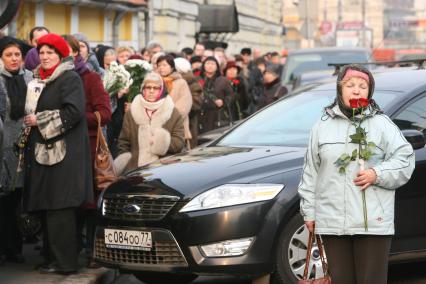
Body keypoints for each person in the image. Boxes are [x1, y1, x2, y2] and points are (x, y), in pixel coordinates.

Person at [298, 64, 415, 284]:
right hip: (332, 220)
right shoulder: (322, 126)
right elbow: (310, 171)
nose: (356, 90)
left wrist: (376, 173)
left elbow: (405, 159)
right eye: (350, 85)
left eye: (363, 86)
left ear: (369, 92)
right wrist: (309, 211)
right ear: (339, 89)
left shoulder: (382, 124)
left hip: (372, 221)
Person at [23, 33, 93, 274]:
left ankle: (65, 264)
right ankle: (51, 258)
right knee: (47, 206)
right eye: (41, 52)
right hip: (42, 153)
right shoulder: (39, 80)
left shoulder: (69, 78)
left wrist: (39, 120)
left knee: (60, 208)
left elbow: (74, 113)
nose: (44, 56)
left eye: (50, 52)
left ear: (61, 55)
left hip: (65, 155)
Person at [62, 34, 112, 267]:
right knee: (66, 204)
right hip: (60, 150)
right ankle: (67, 251)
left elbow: (105, 113)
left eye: (69, 51)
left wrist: (75, 117)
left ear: (76, 53)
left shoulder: (90, 78)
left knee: (89, 204)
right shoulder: (50, 79)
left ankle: (93, 251)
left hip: (88, 149)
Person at [0, 36, 34, 265]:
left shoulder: (31, 79)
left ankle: (15, 247)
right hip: (3, 148)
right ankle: (4, 248)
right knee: (3, 202)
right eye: (8, 55)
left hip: (25, 149)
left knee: (18, 202)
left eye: (17, 55)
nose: (14, 59)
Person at [114, 72, 185, 174]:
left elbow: (179, 142)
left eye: (156, 88)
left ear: (161, 91)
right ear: (143, 89)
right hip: (136, 171)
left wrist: (159, 142)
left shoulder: (173, 112)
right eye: (148, 87)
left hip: (165, 169)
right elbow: (123, 143)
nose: (151, 91)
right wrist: (129, 165)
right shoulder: (132, 112)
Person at [157, 55, 193, 147]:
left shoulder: (181, 82)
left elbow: (184, 105)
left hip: (177, 127)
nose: (161, 68)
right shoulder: (154, 82)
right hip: (157, 129)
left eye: (164, 65)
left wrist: (167, 118)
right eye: (159, 65)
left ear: (172, 67)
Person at [199, 56, 233, 133]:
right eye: (208, 63)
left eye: (213, 64)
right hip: (201, 113)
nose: (210, 66)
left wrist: (223, 102)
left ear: (217, 67)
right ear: (204, 65)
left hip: (217, 115)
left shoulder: (223, 81)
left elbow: (230, 96)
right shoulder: (198, 79)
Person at [174, 57, 203, 148]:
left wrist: (182, 107)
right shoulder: (172, 81)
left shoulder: (192, 83)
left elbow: (196, 104)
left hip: (188, 124)